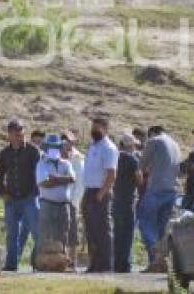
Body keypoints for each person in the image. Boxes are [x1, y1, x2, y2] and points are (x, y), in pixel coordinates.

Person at [0, 118, 41, 271]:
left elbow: (39, 173)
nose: (19, 136)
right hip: (11, 198)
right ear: (9, 134)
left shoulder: (33, 151)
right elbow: (0, 175)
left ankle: (38, 263)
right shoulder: (4, 153)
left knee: (36, 232)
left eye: (21, 133)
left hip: (29, 197)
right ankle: (11, 265)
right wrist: (3, 192)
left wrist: (36, 192)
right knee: (12, 233)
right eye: (16, 133)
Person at [139, 125, 180, 272]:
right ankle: (161, 262)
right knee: (162, 227)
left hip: (156, 188)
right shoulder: (175, 144)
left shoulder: (154, 141)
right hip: (172, 190)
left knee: (145, 221)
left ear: (152, 133)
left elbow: (142, 164)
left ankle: (155, 254)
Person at [82, 117, 118, 273]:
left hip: (100, 193)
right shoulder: (93, 146)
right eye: (93, 128)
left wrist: (101, 194)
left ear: (105, 128)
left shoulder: (108, 148)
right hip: (89, 191)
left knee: (102, 231)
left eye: (97, 128)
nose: (94, 131)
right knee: (90, 230)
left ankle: (105, 265)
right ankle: (94, 264)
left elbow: (112, 174)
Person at [35, 134, 76, 268]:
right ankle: (43, 264)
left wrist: (55, 179)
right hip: (47, 203)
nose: (54, 150)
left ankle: (61, 263)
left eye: (56, 147)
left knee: (63, 233)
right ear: (46, 148)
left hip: (64, 205)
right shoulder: (41, 164)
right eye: (51, 147)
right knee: (46, 234)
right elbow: (43, 183)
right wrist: (62, 180)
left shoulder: (67, 163)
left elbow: (71, 179)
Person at [113, 132, 142, 273]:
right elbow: (139, 180)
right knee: (127, 234)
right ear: (130, 145)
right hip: (128, 200)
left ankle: (116, 262)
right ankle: (125, 264)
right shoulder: (133, 160)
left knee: (117, 232)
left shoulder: (114, 158)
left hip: (115, 199)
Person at [61, 130, 84, 267]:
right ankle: (62, 259)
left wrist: (74, 202)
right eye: (63, 140)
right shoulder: (57, 156)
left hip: (72, 200)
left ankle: (73, 261)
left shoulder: (77, 158)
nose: (65, 142)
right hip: (59, 199)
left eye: (68, 140)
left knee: (72, 232)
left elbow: (80, 183)